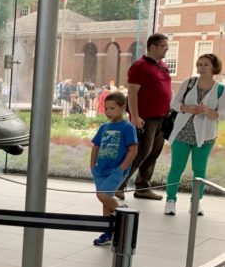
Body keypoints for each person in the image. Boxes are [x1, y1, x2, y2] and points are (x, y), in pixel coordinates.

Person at [163, 53, 224, 216]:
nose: (202, 67)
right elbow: (174, 103)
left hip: (205, 136)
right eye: (200, 64)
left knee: (199, 170)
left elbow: (222, 114)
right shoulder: (188, 82)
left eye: (206, 64)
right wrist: (188, 108)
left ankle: (196, 203)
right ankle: (170, 201)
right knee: (177, 167)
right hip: (182, 132)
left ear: (214, 68)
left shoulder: (220, 89)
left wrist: (207, 111)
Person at [116, 33, 171, 200]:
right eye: (163, 46)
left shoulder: (162, 65)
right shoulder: (139, 66)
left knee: (153, 153)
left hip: (162, 117)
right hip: (145, 118)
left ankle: (142, 187)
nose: (167, 49)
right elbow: (132, 93)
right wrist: (135, 116)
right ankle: (118, 184)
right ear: (153, 46)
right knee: (140, 152)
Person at [90, 90, 138, 246]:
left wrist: (121, 168)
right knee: (105, 201)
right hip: (101, 170)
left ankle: (122, 213)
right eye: (106, 109)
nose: (108, 112)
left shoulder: (127, 128)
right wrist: (93, 166)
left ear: (123, 108)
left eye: (112, 108)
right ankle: (108, 232)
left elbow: (133, 149)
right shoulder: (104, 127)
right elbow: (96, 146)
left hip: (116, 170)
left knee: (104, 196)